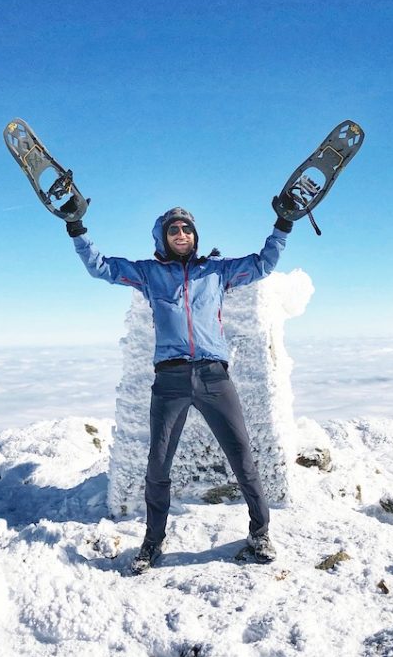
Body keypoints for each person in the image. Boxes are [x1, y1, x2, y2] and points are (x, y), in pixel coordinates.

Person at [65, 206, 294, 574]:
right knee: (158, 465)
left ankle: (260, 532)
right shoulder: (150, 274)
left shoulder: (216, 272)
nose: (182, 235)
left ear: (195, 235)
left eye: (187, 230)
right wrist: (76, 227)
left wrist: (283, 224)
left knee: (242, 457)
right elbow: (101, 267)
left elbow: (263, 264)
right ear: (163, 238)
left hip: (214, 377)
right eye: (174, 231)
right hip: (169, 381)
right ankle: (153, 542)